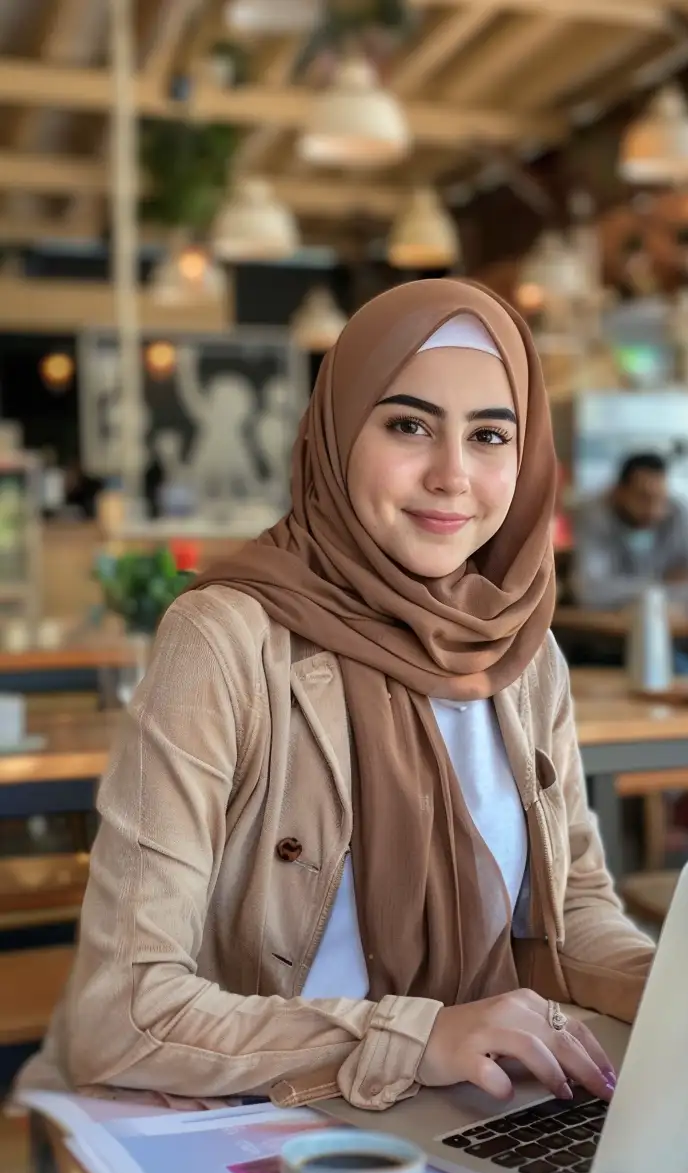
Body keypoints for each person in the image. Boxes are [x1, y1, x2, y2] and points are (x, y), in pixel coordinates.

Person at [27, 279, 649, 1115]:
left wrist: (684, 988)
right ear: (336, 434)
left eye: (490, 435)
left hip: (475, 1106)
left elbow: (571, 911)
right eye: (408, 425)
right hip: (267, 1117)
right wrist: (415, 1038)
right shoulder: (226, 639)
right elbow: (125, 1012)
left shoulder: (524, 657)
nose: (452, 475)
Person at [572, 451, 688, 604]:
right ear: (619, 492)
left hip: (675, 623)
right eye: (643, 497)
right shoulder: (594, 515)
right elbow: (590, 591)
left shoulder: (678, 513)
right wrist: (660, 584)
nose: (653, 510)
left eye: (660, 498)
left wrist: (625, 589)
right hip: (607, 625)